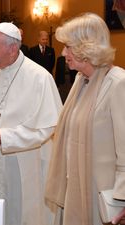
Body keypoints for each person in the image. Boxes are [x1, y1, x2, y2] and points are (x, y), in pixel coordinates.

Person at [0, 22, 62, 225]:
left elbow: (47, 127)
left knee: (22, 211)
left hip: (25, 160)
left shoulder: (40, 77)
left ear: (13, 48)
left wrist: (5, 137)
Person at [45, 13, 125, 225]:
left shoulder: (118, 83)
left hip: (102, 193)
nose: (63, 53)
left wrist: (123, 199)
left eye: (68, 47)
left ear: (86, 47)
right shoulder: (82, 81)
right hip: (75, 186)